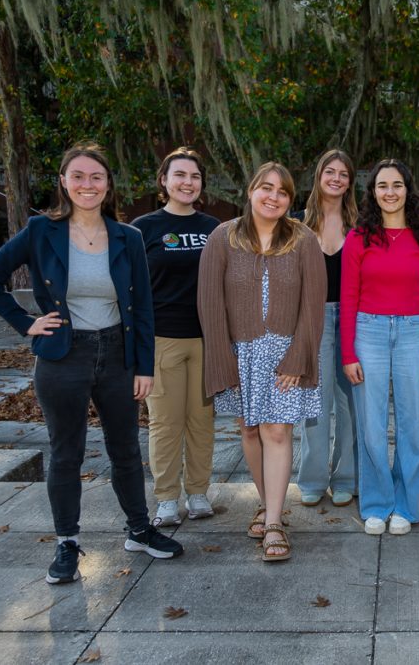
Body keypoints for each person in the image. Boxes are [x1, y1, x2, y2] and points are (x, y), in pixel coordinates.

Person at [0, 141, 183, 585]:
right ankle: (67, 542)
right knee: (66, 453)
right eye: (79, 177)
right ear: (64, 183)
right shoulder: (39, 231)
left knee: (125, 449)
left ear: (108, 185)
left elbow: (143, 308)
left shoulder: (127, 237)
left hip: (118, 354)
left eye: (96, 177)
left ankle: (140, 529)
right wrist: (24, 322)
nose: (88, 185)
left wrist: (144, 366)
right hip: (62, 356)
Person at [197, 162, 325, 561]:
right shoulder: (223, 237)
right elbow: (209, 302)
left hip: (285, 354)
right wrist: (223, 359)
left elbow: (313, 304)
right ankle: (268, 502)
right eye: (266, 188)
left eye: (283, 191)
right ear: (250, 191)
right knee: (249, 432)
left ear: (291, 199)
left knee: (276, 432)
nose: (273, 197)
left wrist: (298, 357)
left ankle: (273, 524)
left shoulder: (303, 240)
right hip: (241, 353)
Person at [341, 159, 419, 536]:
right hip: (367, 331)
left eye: (397, 185)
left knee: (410, 425)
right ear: (372, 192)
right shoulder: (359, 238)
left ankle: (407, 505)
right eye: (382, 185)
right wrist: (348, 353)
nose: (389, 192)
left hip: (415, 334)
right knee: (370, 426)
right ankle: (376, 503)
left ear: (408, 190)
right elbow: (348, 297)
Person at [131, 147, 220, 526]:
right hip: (162, 340)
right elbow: (131, 289)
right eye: (180, 175)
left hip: (205, 340)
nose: (187, 182)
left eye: (195, 177)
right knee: (165, 423)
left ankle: (198, 492)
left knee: (201, 421)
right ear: (164, 181)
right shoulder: (143, 228)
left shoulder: (214, 228)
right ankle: (166, 498)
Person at [296, 150, 360, 508]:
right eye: (330, 171)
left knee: (350, 402)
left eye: (344, 174)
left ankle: (347, 477)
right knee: (313, 403)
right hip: (312, 319)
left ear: (350, 182)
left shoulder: (361, 225)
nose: (336, 178)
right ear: (319, 175)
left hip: (353, 318)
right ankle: (313, 478)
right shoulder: (298, 224)